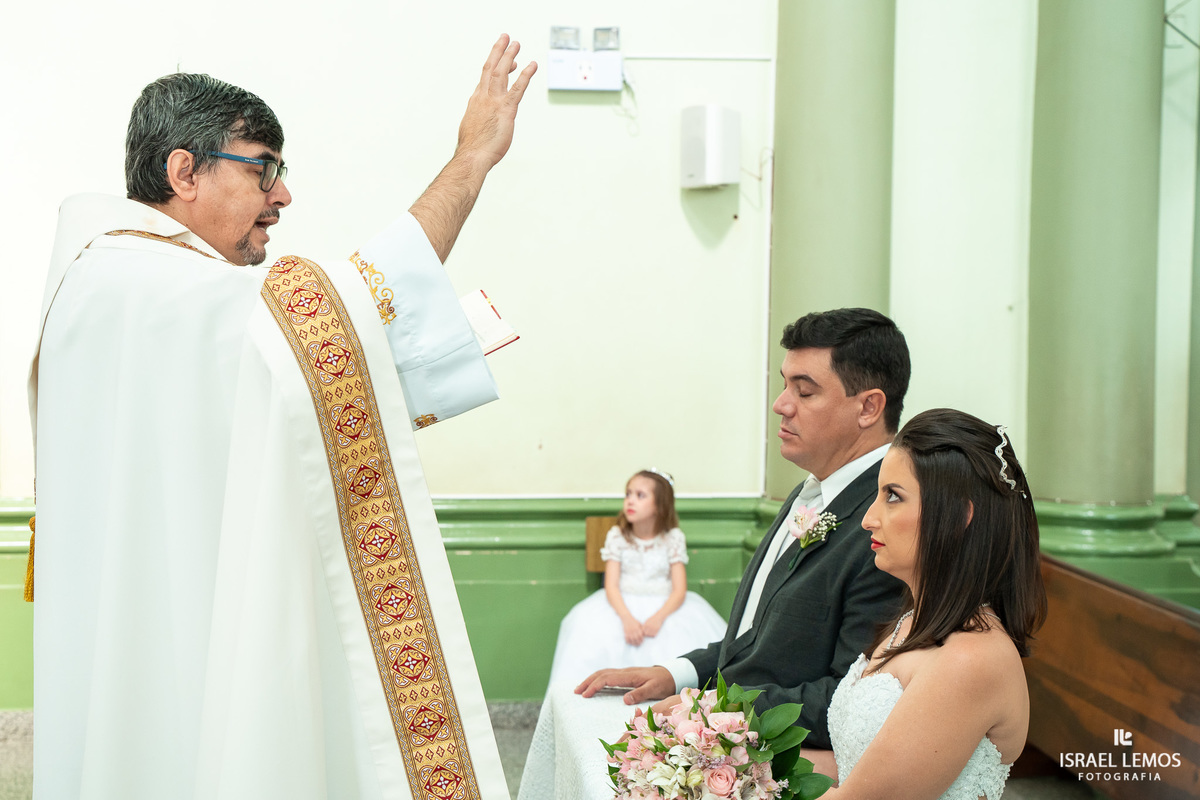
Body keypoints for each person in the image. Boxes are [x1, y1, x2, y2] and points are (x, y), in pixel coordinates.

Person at [27, 36, 534, 800]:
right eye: (262, 167)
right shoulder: (150, 284)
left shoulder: (113, 283)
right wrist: (471, 161)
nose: (282, 196)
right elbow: (340, 309)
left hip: (149, 611)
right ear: (184, 170)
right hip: (183, 623)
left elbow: (255, 404)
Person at [575, 308, 911, 750]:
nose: (781, 404)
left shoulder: (887, 524)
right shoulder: (811, 491)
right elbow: (763, 643)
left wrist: (715, 709)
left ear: (868, 406)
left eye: (804, 391)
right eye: (785, 383)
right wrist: (677, 674)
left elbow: (853, 699)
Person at [811, 408, 1047, 800]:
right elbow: (862, 767)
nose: (869, 518)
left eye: (893, 496)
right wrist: (737, 756)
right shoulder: (910, 621)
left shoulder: (971, 659)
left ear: (957, 518)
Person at [547, 469, 726, 686]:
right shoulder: (617, 536)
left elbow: (679, 589)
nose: (630, 501)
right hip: (622, 604)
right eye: (628, 494)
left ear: (660, 505)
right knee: (587, 635)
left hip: (665, 607)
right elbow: (611, 586)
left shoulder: (673, 538)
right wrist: (627, 619)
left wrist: (658, 618)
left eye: (640, 496)